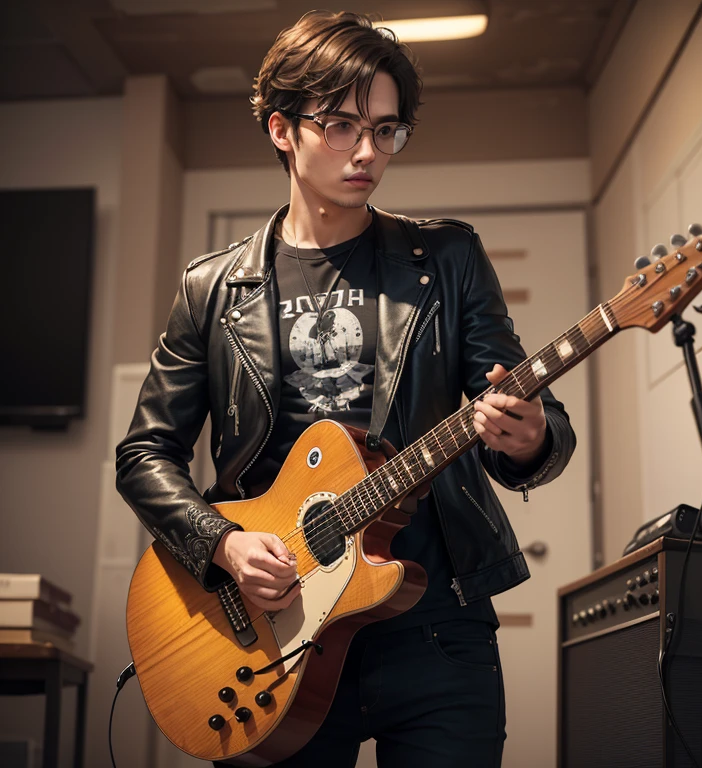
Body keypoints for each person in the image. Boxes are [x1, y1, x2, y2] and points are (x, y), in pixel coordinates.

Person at [116, 10, 576, 768]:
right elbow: (144, 455)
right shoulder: (213, 289)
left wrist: (532, 438)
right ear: (280, 128)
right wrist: (223, 544)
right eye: (340, 125)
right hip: (272, 635)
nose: (368, 152)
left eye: (388, 130)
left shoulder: (448, 257)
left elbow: (527, 418)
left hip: (433, 623)